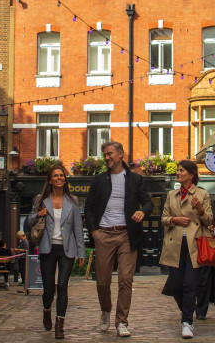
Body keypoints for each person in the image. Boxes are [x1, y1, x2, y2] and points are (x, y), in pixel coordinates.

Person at [84, 141, 153, 338]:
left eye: (110, 154)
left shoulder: (135, 180)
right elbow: (88, 209)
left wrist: (142, 211)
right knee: (103, 282)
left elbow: (148, 202)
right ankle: (106, 310)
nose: (107, 157)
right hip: (103, 234)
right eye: (104, 154)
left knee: (125, 279)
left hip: (126, 235)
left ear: (121, 154)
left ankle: (122, 321)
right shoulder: (99, 180)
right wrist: (94, 232)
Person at [30, 163, 85, 339]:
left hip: (66, 250)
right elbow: (28, 222)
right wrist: (39, 214)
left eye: (62, 175)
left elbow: (78, 228)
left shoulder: (73, 201)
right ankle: (47, 309)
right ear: (50, 180)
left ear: (65, 179)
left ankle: (60, 324)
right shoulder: (40, 199)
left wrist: (81, 252)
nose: (59, 178)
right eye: (56, 176)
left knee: (62, 286)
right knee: (48, 289)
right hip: (47, 249)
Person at [159, 160, 213, 339]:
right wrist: (175, 220)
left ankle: (187, 322)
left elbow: (210, 221)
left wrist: (199, 209)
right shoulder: (171, 195)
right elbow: (164, 218)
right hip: (175, 245)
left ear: (191, 174)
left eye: (182, 170)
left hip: (194, 245)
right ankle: (187, 310)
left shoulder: (202, 194)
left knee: (190, 284)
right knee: (175, 286)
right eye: (178, 170)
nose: (178, 173)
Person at [195, 211, 215, 320]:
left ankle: (201, 311)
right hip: (191, 251)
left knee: (204, 282)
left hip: (206, 252)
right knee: (187, 282)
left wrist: (213, 231)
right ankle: (186, 307)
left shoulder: (209, 213)